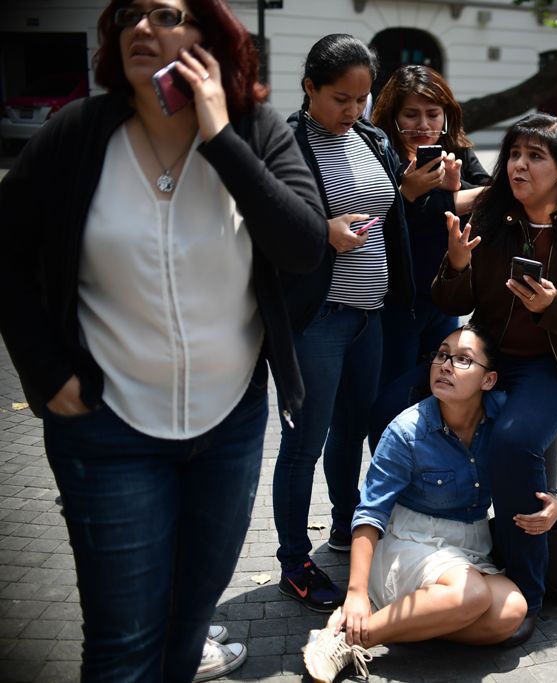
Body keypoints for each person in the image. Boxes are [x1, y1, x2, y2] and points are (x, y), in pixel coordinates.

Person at [0, 0, 327, 680]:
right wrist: (43, 369)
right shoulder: (76, 135)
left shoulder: (256, 130)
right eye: (128, 14)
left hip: (228, 427)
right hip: (106, 428)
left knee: (183, 637)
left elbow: (303, 246)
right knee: (123, 648)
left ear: (209, 37)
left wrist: (219, 136)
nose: (141, 28)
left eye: (165, 13)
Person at [432, 113, 557, 641]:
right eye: (515, 153)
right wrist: (455, 265)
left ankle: (527, 595)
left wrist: (552, 305)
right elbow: (456, 301)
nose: (519, 164)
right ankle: (446, 561)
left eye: (535, 156)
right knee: (421, 419)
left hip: (553, 366)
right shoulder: (495, 215)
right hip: (491, 357)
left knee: (515, 442)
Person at [301, 324, 557, 681]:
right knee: (471, 597)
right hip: (411, 542)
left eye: (463, 360)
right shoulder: (407, 430)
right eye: (441, 355)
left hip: (468, 549)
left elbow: (531, 459)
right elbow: (369, 513)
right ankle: (350, 640)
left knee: (512, 611)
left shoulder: (506, 421)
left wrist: (556, 501)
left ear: (489, 381)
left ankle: (409, 617)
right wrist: (356, 593)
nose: (445, 365)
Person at [273, 34, 414, 613]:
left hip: (369, 315)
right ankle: (292, 562)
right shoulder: (285, 142)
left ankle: (343, 527)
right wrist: (322, 231)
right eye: (340, 99)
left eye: (362, 98)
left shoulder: (372, 138)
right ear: (309, 87)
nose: (352, 110)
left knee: (352, 433)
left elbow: (390, 208)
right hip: (318, 318)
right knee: (303, 442)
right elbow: (266, 223)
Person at [370, 65, 490, 393]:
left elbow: (491, 193)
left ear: (446, 115)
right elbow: (390, 216)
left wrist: (454, 186)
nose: (423, 125)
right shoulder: (381, 154)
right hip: (395, 302)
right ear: (393, 116)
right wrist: (441, 198)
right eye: (411, 114)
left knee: (437, 391)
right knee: (391, 395)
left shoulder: (457, 148)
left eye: (433, 114)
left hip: (443, 297)